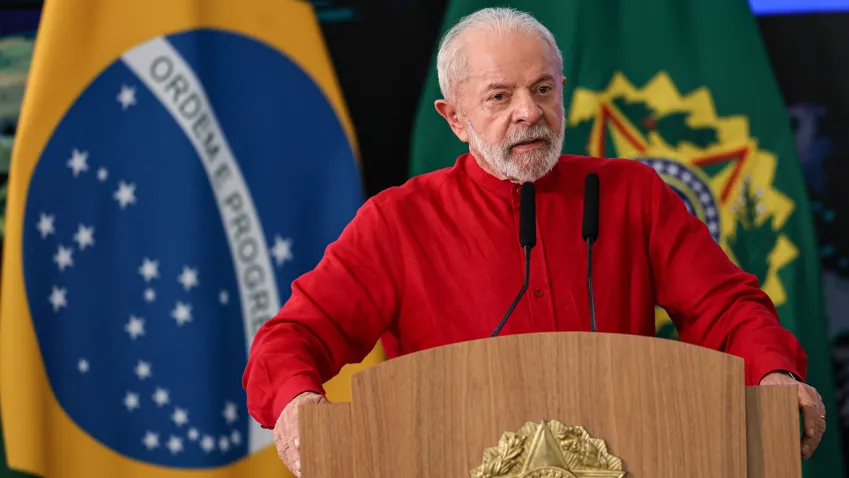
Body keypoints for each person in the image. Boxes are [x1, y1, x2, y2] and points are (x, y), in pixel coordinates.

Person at [242, 7, 826, 476]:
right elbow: (290, 339)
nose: (530, 113)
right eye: (500, 97)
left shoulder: (632, 195)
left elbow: (728, 309)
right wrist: (297, 406)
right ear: (454, 117)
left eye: (543, 89)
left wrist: (775, 377)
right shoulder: (397, 221)